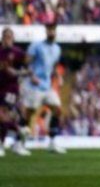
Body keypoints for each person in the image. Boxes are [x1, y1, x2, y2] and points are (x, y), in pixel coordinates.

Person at [21, 22, 65, 154]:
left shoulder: (57, 48)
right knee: (29, 113)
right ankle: (19, 143)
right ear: (46, 32)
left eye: (53, 30)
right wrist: (31, 75)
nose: (51, 32)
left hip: (47, 86)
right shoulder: (36, 46)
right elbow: (26, 63)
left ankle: (51, 143)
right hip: (34, 85)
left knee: (57, 110)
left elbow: (54, 65)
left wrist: (58, 76)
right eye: (49, 30)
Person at [0, 28, 30, 157]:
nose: (7, 39)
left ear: (13, 39)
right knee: (3, 118)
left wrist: (17, 73)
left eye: (10, 37)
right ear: (1, 38)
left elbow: (28, 69)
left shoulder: (18, 53)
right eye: (5, 36)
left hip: (10, 89)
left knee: (2, 115)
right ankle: (20, 130)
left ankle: (1, 145)